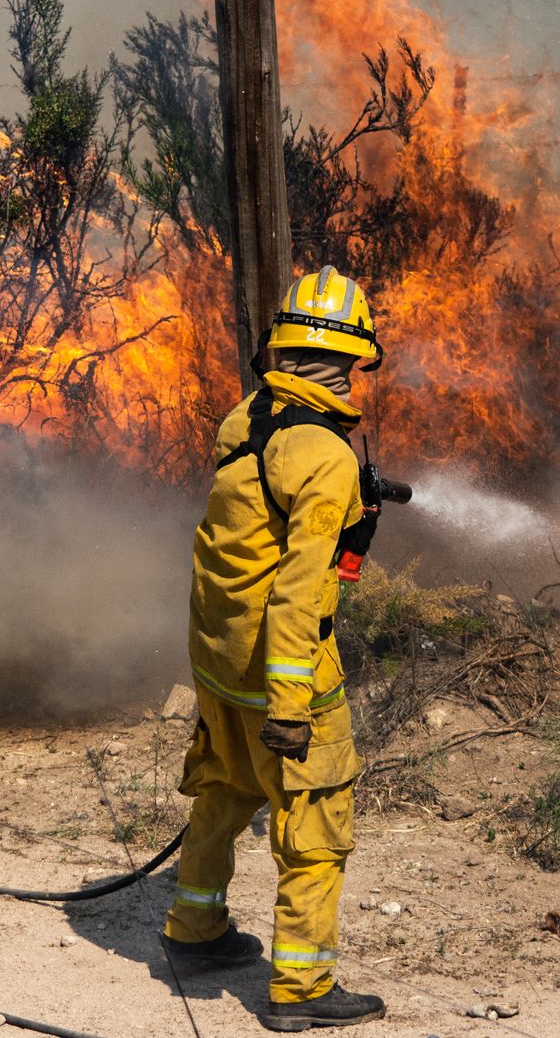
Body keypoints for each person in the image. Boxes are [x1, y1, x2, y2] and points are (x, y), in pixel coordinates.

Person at [161, 266, 388, 1032]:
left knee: (225, 791)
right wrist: (292, 707)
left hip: (219, 661)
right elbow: (297, 590)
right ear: (356, 359)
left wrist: (352, 526)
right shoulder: (325, 457)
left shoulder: (248, 418)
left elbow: (249, 537)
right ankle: (301, 990)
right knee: (314, 828)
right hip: (281, 675)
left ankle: (194, 932)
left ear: (282, 348)